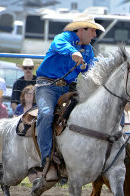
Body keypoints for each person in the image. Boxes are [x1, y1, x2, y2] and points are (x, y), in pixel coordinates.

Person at [35, 14, 105, 168]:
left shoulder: (88, 50)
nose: (95, 35)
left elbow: (91, 70)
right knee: (46, 115)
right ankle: (46, 159)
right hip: (47, 86)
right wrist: (73, 52)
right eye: (93, 31)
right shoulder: (63, 38)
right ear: (82, 29)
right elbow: (61, 44)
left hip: (69, 88)